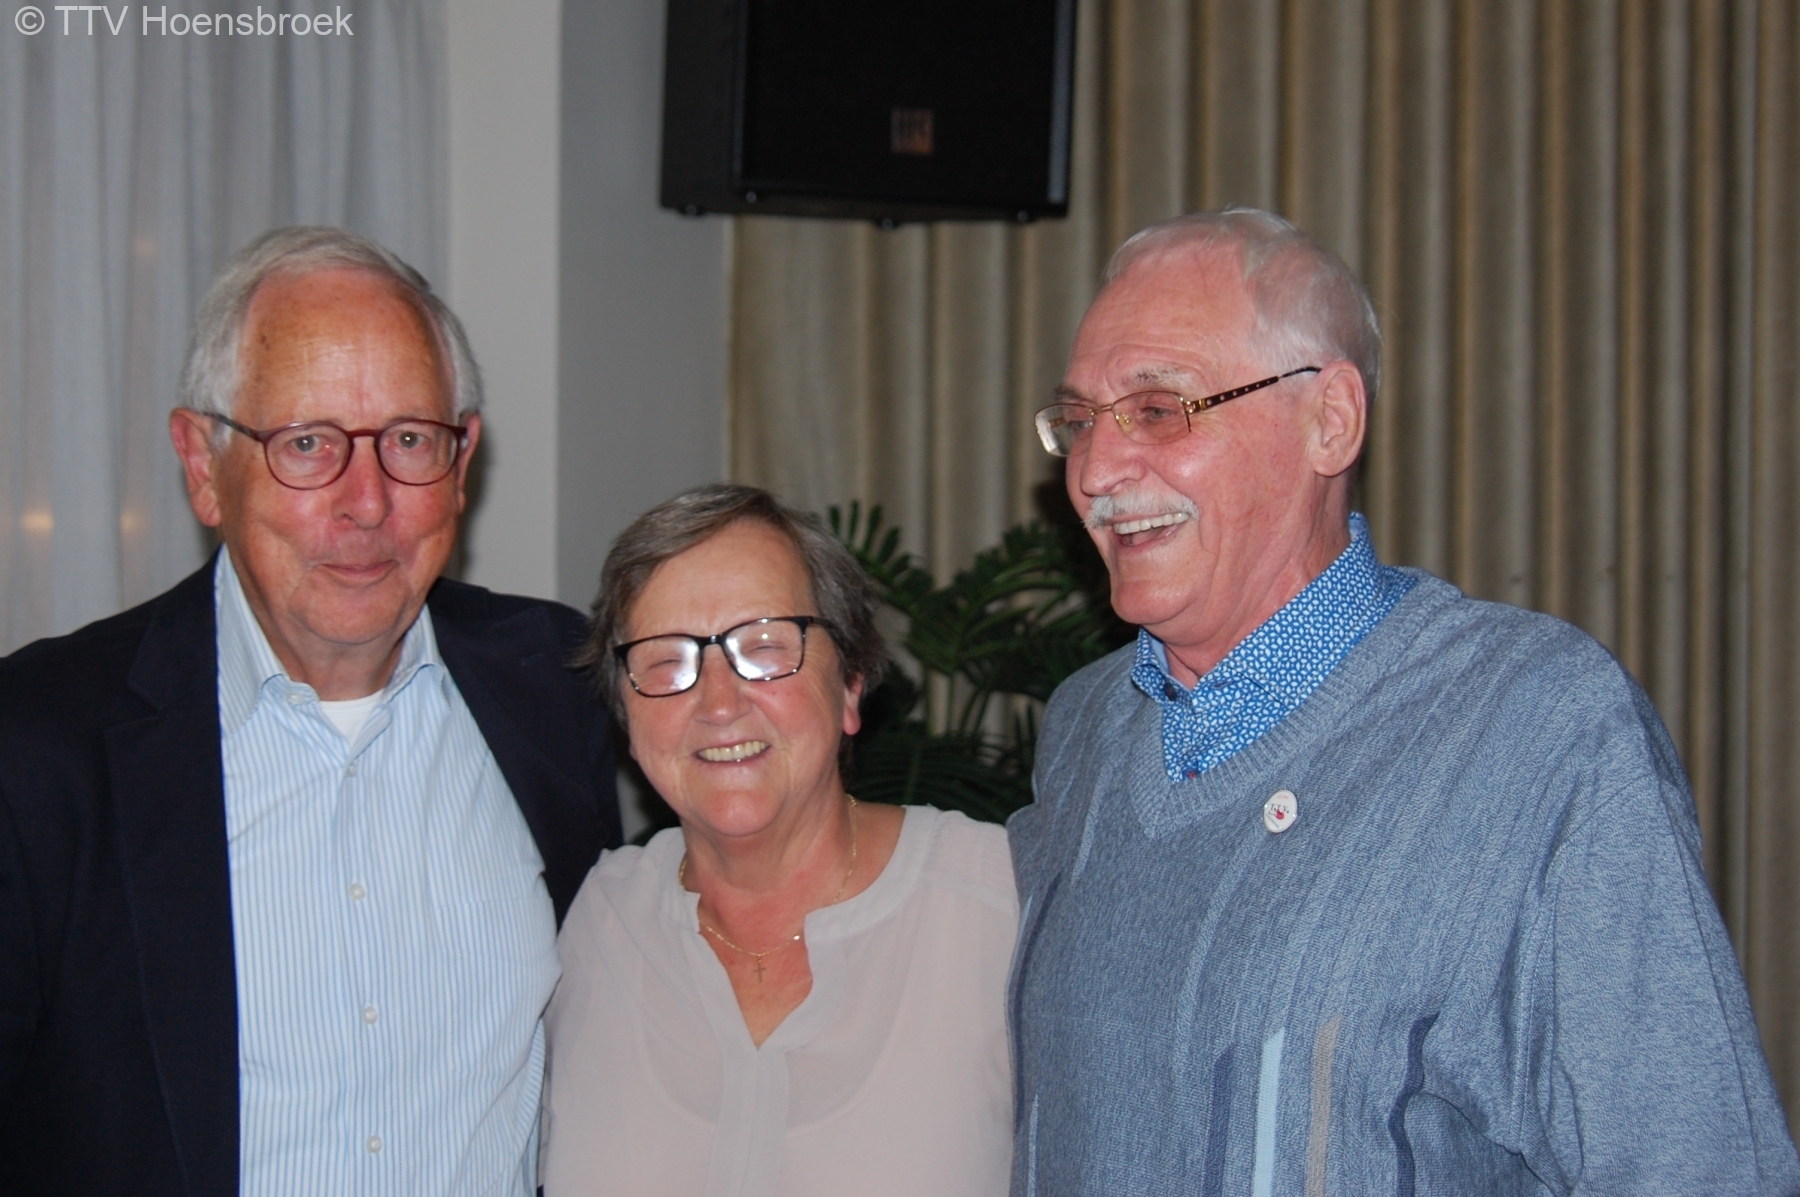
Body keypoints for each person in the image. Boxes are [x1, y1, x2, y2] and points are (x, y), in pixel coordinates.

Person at [1007, 207, 1800, 1195]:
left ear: (1329, 420)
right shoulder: (1085, 731)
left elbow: (1699, 1167)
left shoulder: (1541, 730)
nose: (1095, 469)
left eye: (1158, 409)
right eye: (1081, 420)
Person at [0, 226, 620, 1196]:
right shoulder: (40, 747)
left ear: (462, 461)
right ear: (202, 464)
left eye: (408, 440)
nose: (366, 502)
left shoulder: (557, 682)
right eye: (307, 445)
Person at [540, 484, 1016, 1196]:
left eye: (764, 647)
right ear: (627, 717)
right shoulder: (599, 925)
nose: (719, 703)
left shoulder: (997, 907)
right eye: (666, 661)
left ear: (850, 684)